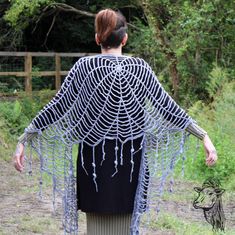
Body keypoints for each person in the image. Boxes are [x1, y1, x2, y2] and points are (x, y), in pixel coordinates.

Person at [14, 9, 217, 235]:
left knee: (97, 228)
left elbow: (57, 107)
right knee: (127, 227)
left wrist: (24, 138)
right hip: (131, 161)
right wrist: (203, 135)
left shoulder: (84, 68)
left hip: (93, 162)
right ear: (125, 39)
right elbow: (169, 109)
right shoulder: (140, 69)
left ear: (97, 38)